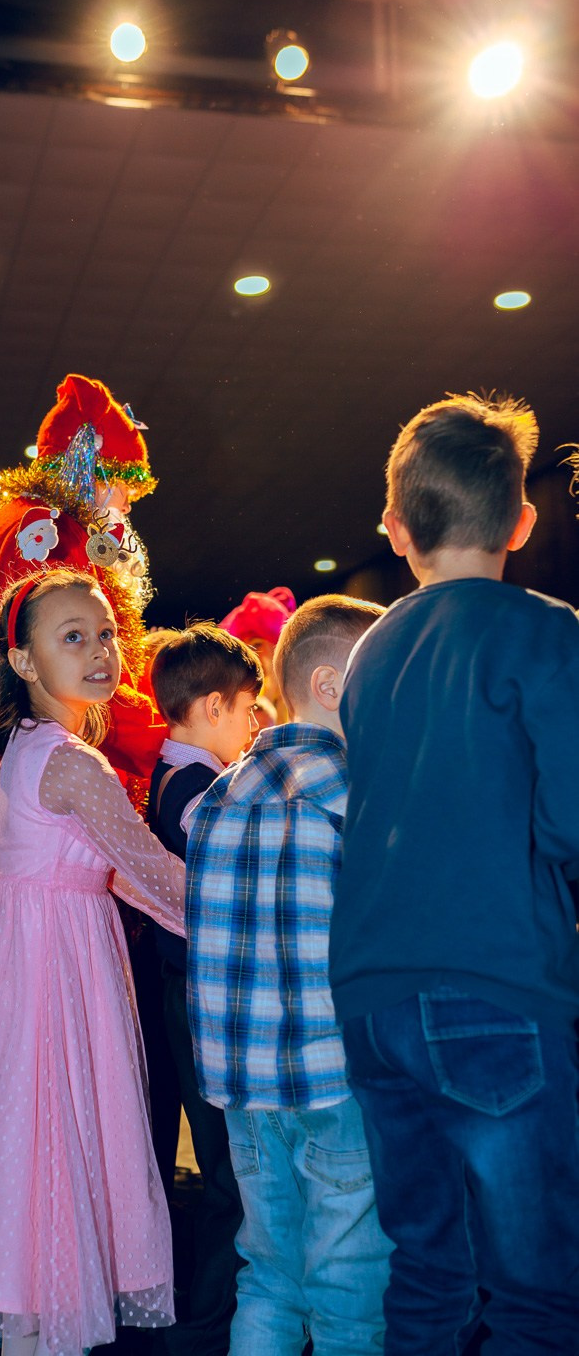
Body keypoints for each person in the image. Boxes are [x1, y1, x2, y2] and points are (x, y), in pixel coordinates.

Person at [328, 393, 579, 1351]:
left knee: (428, 1270)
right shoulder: (544, 630)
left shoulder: (369, 652)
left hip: (373, 994)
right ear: (520, 519)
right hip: (495, 985)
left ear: (397, 530)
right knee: (534, 1290)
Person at [0, 568, 186, 1356]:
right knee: (56, 1125)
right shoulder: (70, 760)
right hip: (50, 964)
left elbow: (111, 871)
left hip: (18, 950)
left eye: (105, 633)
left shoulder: (35, 746)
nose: (100, 651)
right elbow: (154, 875)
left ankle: (31, 1319)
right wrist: (245, 913)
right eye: (73, 637)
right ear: (26, 662)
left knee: (31, 1133)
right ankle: (46, 1326)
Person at [186, 596, 390, 1356]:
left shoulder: (216, 796)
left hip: (240, 1086)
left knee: (267, 1272)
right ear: (335, 685)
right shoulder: (351, 791)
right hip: (332, 1075)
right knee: (349, 1285)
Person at [0, 373, 166, 902]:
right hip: (7, 769)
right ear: (84, 464)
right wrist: (166, 737)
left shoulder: (28, 522)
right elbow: (70, 665)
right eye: (118, 483)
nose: (124, 505)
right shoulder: (50, 533)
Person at [147, 623, 262, 1356]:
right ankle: (210, 1321)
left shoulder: (177, 776)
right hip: (196, 996)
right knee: (226, 1170)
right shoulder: (197, 790)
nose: (256, 725)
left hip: (186, 993)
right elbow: (226, 875)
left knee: (227, 1163)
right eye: (251, 709)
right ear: (215, 707)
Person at [220, 587, 297, 726]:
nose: (252, 655)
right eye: (246, 649)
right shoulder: (239, 695)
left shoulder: (298, 696)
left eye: (257, 645)